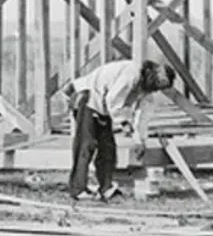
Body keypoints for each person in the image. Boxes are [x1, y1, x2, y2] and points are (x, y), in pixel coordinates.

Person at [63, 59, 175, 200]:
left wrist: (139, 141)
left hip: (104, 106)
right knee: (86, 145)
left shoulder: (147, 92)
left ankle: (106, 189)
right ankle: (78, 189)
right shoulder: (132, 74)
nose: (155, 89)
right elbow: (113, 100)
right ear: (152, 75)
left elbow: (142, 118)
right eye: (157, 84)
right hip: (88, 96)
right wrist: (124, 123)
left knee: (108, 148)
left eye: (159, 88)